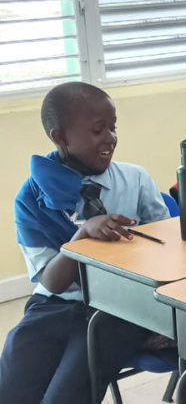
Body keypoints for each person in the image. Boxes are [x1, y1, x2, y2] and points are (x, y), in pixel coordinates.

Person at [0, 82, 171, 404]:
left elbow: (168, 246)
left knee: (65, 394)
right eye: (97, 130)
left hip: (118, 307)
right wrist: (82, 236)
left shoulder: (133, 180)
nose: (110, 138)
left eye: (113, 127)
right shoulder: (32, 196)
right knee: (13, 379)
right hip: (56, 304)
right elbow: (52, 281)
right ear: (60, 137)